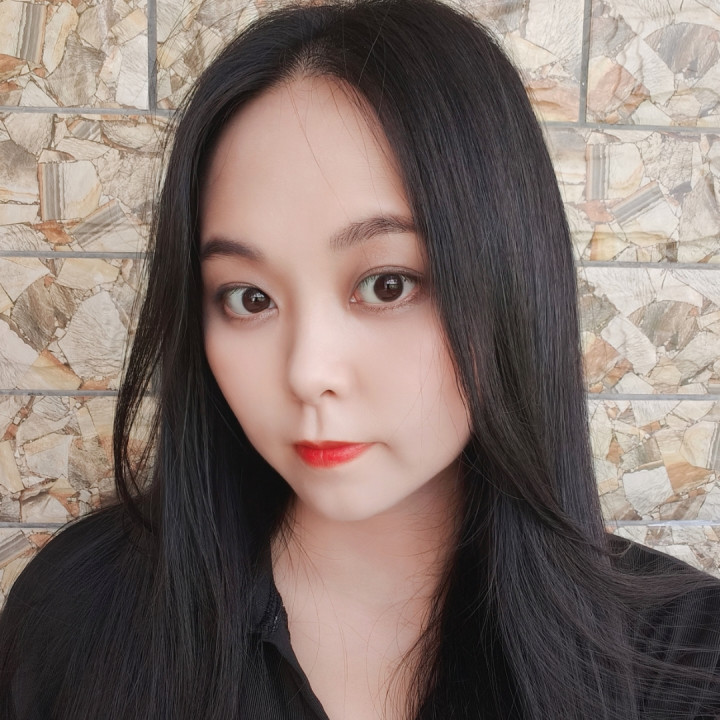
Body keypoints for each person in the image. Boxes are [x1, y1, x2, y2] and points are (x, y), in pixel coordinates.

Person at [1, 0, 719, 718]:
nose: (308, 373)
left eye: (387, 285)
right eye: (249, 299)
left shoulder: (689, 664)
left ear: (513, 281)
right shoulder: (79, 613)